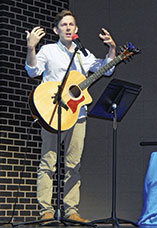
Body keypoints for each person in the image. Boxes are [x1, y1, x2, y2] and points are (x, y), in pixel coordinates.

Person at [25, 10, 116, 223]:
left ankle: (71, 210)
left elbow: (106, 69)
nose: (68, 27)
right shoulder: (48, 50)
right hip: (53, 114)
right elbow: (32, 71)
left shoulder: (83, 53)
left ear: (76, 30)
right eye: (64, 24)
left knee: (74, 165)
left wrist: (112, 49)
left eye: (71, 24)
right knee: (48, 162)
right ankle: (46, 211)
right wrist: (31, 48)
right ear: (56, 30)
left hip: (78, 116)